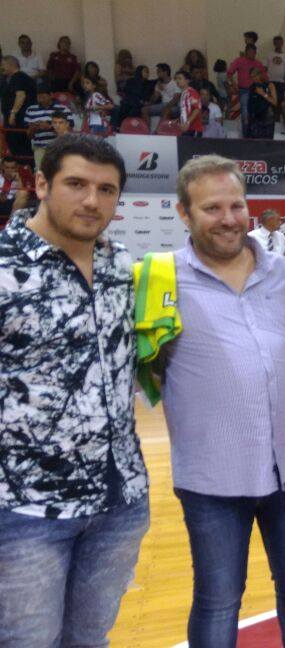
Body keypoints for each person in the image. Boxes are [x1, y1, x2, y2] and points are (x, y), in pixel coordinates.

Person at [165, 155, 285, 646]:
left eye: (236, 205)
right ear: (184, 213)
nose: (228, 218)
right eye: (211, 208)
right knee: (218, 600)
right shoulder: (160, 281)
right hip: (211, 478)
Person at [0, 134, 149, 647]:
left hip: (120, 501)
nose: (92, 201)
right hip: (24, 508)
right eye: (76, 184)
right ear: (40, 184)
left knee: (90, 640)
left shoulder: (123, 266)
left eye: (106, 190)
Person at [2, 56, 36, 160]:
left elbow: (20, 95)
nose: (1, 68)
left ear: (10, 65)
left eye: (3, 65)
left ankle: (25, 170)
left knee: (20, 148)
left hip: (19, 120)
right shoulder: (18, 77)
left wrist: (13, 113)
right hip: (18, 119)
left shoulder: (18, 77)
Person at [174, 70, 203, 137]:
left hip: (194, 129)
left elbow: (197, 109)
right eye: (176, 78)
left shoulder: (191, 92)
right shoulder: (183, 94)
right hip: (186, 128)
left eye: (180, 78)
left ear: (187, 80)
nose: (177, 81)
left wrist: (187, 122)